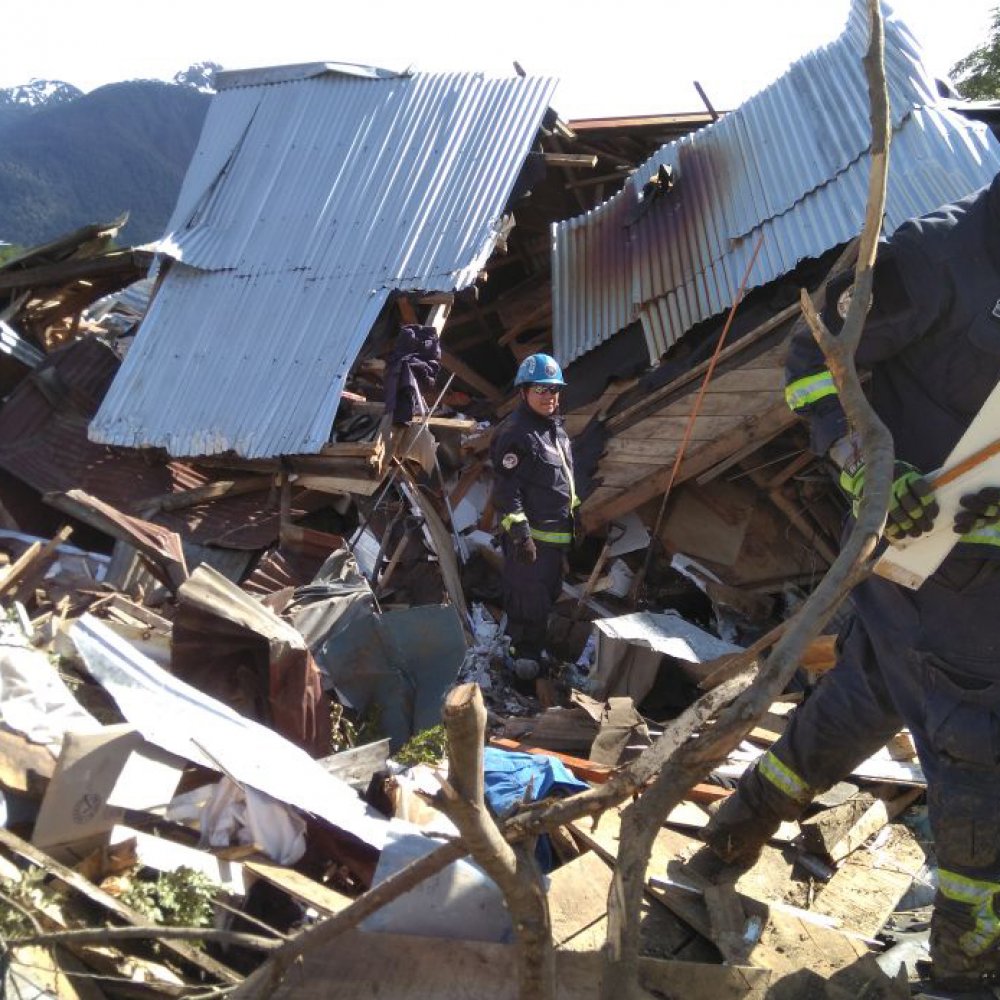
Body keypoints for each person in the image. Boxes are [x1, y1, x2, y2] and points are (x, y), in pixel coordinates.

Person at [703, 171, 1000, 991]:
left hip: (971, 584)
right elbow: (810, 365)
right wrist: (862, 462)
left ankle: (732, 834)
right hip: (926, 568)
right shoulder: (929, 257)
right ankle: (969, 973)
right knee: (979, 758)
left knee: (863, 693)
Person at [490, 352, 580, 682]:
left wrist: (575, 523)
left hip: (554, 544)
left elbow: (564, 483)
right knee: (526, 610)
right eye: (541, 390)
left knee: (543, 606)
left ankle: (535, 658)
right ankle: (520, 673)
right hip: (530, 546)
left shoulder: (555, 431)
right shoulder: (519, 434)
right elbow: (505, 492)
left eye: (554, 390)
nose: (549, 396)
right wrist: (521, 535)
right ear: (523, 392)